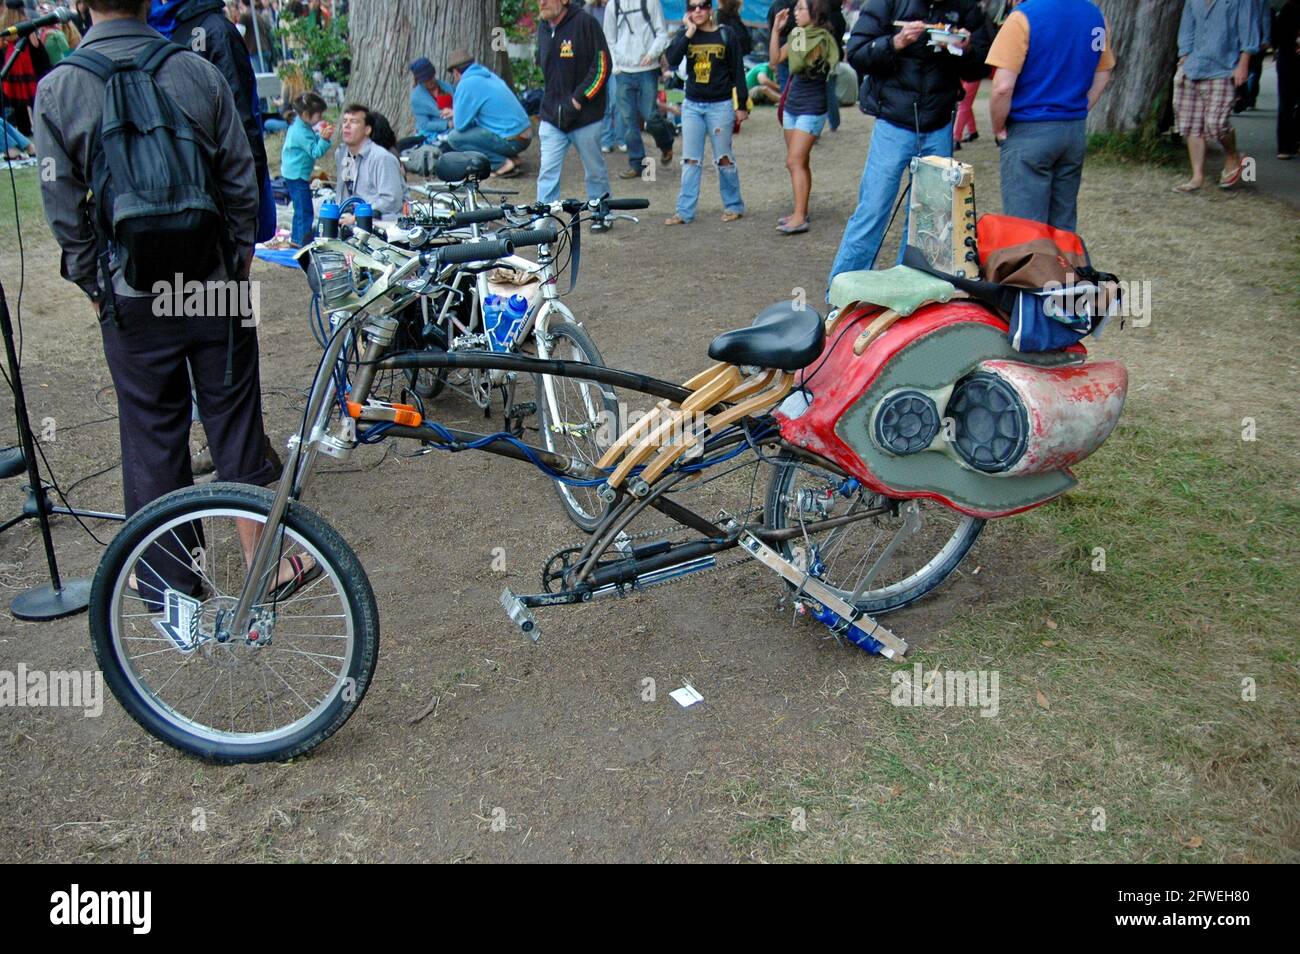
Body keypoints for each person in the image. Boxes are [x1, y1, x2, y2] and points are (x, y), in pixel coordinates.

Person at [33, 0, 313, 597]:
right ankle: (270, 561)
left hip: (131, 291)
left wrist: (93, 283)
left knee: (151, 433)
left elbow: (61, 205)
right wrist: (237, 260)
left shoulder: (59, 88)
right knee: (237, 421)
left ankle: (169, 584)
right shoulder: (196, 70)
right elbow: (242, 176)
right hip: (215, 284)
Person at [826, 0, 990, 286]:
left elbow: (981, 64)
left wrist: (968, 49)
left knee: (929, 219)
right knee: (873, 210)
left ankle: (910, 290)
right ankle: (841, 292)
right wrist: (896, 42)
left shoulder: (964, 6)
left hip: (939, 122)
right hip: (893, 121)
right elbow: (857, 53)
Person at [148, 1, 276, 244]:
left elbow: (242, 125)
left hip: (215, 195)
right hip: (177, 193)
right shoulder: (161, 28)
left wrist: (247, 218)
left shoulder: (214, 31)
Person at [986, 0, 1115, 231]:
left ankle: (1032, 268)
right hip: (1073, 130)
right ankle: (1065, 268)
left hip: (1029, 128)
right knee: (1063, 225)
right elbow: (1103, 74)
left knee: (1025, 229)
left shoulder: (1023, 17)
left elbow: (1002, 87)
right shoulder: (1096, 16)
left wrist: (998, 127)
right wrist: (1078, 109)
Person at [663, 0, 748, 226]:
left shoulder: (725, 34)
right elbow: (671, 60)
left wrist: (742, 105)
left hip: (720, 105)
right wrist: (689, 32)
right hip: (692, 106)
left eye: (702, 6)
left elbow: (738, 70)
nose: (698, 11)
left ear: (711, 9)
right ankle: (684, 211)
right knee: (690, 160)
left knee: (724, 159)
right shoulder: (686, 34)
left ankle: (733, 205)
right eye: (692, 7)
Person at [536, 0, 614, 232]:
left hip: (585, 116)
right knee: (547, 172)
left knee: (594, 170)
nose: (542, 3)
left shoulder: (585, 23)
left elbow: (602, 66)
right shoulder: (542, 28)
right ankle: (542, 222)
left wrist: (579, 99)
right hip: (552, 115)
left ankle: (601, 212)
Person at [1172, 0, 1262, 191]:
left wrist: (1243, 65)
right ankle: (1197, 177)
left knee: (1216, 122)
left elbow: (1248, 32)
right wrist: (1184, 57)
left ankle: (1233, 156)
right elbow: (1187, 28)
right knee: (1191, 124)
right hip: (1193, 67)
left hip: (1224, 68)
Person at [769, 0, 838, 234]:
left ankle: (799, 217)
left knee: (794, 161)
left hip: (812, 106)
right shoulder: (798, 35)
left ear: (814, 12)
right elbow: (775, 59)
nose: (795, 13)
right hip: (793, 104)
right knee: (800, 162)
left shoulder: (822, 38)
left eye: (801, 9)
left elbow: (814, 65)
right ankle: (800, 210)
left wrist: (797, 41)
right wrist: (776, 31)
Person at [602, 0, 671, 178]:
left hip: (647, 69)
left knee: (650, 115)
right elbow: (609, 39)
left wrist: (652, 54)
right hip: (623, 71)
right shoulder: (613, 6)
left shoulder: (651, 3)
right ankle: (637, 162)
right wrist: (615, 66)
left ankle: (665, 143)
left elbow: (662, 33)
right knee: (627, 120)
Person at [440, 48, 533, 178]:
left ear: (455, 72)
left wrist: (457, 114)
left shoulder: (466, 83)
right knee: (488, 128)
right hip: (525, 137)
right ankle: (513, 158)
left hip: (512, 141)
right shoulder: (488, 75)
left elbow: (460, 126)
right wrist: (457, 112)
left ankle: (501, 164)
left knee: (455, 138)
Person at [336, 102, 406, 219]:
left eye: (354, 122)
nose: (346, 126)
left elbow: (391, 201)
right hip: (350, 218)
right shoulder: (341, 153)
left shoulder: (382, 157)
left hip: (378, 222)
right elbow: (344, 195)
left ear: (367, 130)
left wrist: (358, 216)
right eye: (345, 121)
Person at [281, 91, 333, 246]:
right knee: (305, 211)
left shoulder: (300, 124)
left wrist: (319, 137)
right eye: (318, 115)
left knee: (299, 209)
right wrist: (324, 139)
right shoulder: (301, 131)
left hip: (293, 173)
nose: (320, 118)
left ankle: (296, 239)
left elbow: (311, 140)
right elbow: (315, 151)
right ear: (305, 114)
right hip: (297, 175)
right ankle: (304, 242)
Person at [2, 0, 51, 137]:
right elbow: (35, 43)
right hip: (25, 58)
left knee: (17, 98)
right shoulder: (25, 21)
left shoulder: (4, 22)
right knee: (32, 95)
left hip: (11, 59)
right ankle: (41, 128)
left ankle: (24, 130)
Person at [409, 57, 454, 141]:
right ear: (420, 80)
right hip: (432, 132)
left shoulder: (448, 88)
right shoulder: (416, 97)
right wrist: (447, 124)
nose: (430, 81)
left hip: (453, 129)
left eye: (431, 77)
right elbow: (424, 124)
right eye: (426, 80)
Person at [1277, 0, 1299, 159]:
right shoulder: (1289, 8)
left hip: (1288, 58)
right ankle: (1285, 146)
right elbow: (1280, 36)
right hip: (1289, 60)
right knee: (1287, 101)